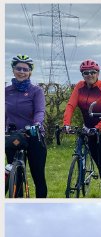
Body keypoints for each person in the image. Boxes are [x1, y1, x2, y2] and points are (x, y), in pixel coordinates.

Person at [63, 59, 101, 197]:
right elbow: (70, 106)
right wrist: (66, 124)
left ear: (98, 73)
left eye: (93, 72)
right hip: (88, 128)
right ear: (82, 75)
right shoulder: (79, 87)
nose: (90, 75)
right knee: (94, 156)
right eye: (86, 73)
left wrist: (98, 128)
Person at [6, 54, 48, 197]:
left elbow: (39, 111)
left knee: (38, 176)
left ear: (30, 72)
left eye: (25, 69)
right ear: (13, 70)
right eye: (18, 68)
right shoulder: (6, 91)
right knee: (15, 177)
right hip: (13, 136)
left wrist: (36, 124)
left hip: (33, 136)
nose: (22, 72)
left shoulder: (36, 91)